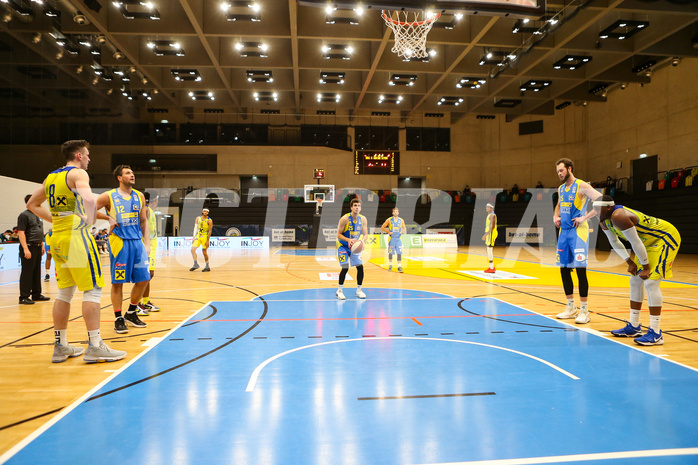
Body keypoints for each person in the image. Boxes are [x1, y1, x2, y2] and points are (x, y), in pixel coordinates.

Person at [26, 139, 126, 362]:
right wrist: (89, 221)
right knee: (93, 289)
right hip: (77, 237)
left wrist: (58, 219)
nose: (90, 159)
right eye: (88, 155)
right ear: (79, 155)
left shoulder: (51, 177)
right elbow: (90, 199)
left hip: (58, 237)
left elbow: (32, 204)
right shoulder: (78, 174)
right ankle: (95, 345)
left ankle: (60, 346)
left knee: (64, 293)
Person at [594, 195, 681, 345]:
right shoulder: (604, 220)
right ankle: (634, 326)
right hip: (647, 243)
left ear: (608, 207)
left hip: (664, 238)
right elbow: (614, 241)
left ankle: (656, 333)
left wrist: (645, 266)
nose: (594, 211)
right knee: (634, 280)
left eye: (597, 208)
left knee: (651, 282)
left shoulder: (618, 216)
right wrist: (629, 261)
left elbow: (635, 242)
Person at [96, 165, 150, 334]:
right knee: (118, 282)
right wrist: (108, 218)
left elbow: (143, 221)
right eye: (128, 173)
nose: (132, 175)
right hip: (119, 242)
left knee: (144, 279)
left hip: (136, 242)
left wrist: (146, 243)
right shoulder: (109, 196)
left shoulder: (139, 195)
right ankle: (118, 317)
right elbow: (86, 209)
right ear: (119, 178)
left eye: (132, 172)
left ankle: (131, 313)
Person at [553, 158, 602, 324]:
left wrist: (585, 217)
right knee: (564, 270)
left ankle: (585, 311)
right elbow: (559, 205)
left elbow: (602, 200)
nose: (559, 173)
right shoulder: (561, 188)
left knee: (581, 270)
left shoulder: (581, 185)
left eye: (561, 170)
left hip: (578, 233)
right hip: (564, 233)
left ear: (569, 168)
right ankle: (570, 307)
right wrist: (555, 216)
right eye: (558, 171)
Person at [17, 194, 50, 305]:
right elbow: (21, 233)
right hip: (29, 246)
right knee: (27, 272)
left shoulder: (39, 215)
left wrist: (41, 245)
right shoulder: (23, 215)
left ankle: (36, 294)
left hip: (37, 246)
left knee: (36, 271)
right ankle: (24, 296)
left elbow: (39, 231)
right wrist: (26, 249)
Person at [336, 198, 368, 300]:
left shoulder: (363, 219)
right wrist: (349, 240)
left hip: (355, 248)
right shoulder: (345, 219)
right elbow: (338, 235)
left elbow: (366, 234)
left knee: (360, 267)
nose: (357, 207)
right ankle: (339, 291)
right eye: (355, 205)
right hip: (343, 246)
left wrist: (362, 241)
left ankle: (359, 290)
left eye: (358, 205)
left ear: (361, 208)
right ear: (351, 207)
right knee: (345, 267)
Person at [138, 192, 161, 315]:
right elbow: (140, 227)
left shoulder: (150, 211)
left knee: (148, 275)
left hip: (151, 246)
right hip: (146, 247)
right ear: (155, 200)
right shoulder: (145, 210)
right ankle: (137, 303)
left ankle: (145, 301)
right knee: (145, 275)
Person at [381, 207, 406, 272]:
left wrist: (401, 232)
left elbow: (404, 228)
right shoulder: (389, 220)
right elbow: (382, 227)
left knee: (399, 253)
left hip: (398, 239)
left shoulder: (401, 220)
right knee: (390, 253)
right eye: (394, 211)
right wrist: (388, 232)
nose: (395, 212)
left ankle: (399, 266)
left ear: (398, 212)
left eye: (396, 211)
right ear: (392, 212)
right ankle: (390, 265)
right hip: (391, 239)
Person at [482, 202, 498, 273]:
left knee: (489, 250)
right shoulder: (489, 215)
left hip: (491, 234)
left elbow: (492, 227)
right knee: (488, 250)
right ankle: (492, 267)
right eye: (486, 207)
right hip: (489, 234)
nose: (487, 208)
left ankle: (492, 268)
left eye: (488, 207)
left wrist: (485, 235)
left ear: (492, 208)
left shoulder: (492, 215)